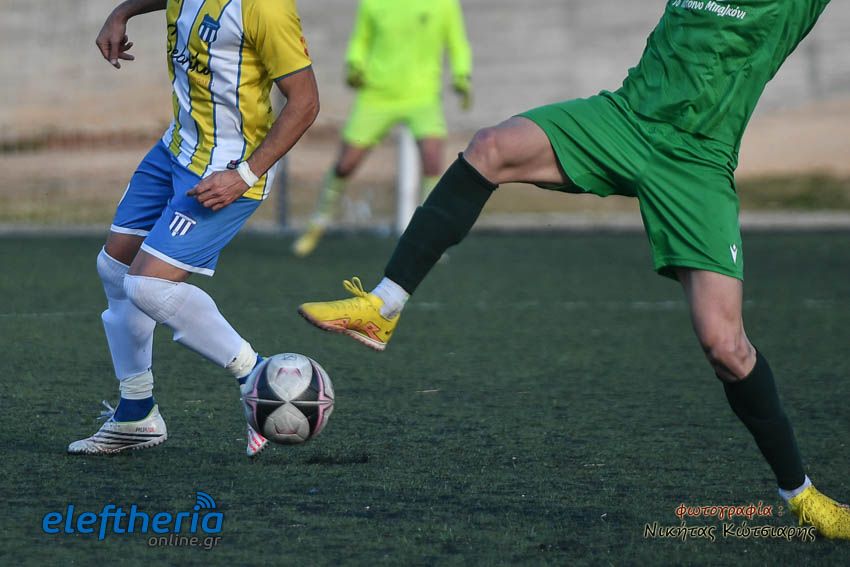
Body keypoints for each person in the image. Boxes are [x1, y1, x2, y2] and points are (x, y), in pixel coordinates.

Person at [297, 0, 850, 538]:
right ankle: (384, 305)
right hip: (625, 120)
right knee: (490, 146)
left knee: (725, 347)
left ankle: (800, 495)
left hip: (697, 162)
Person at [68, 0, 319, 458]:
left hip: (227, 169)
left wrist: (245, 175)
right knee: (115, 268)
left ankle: (257, 375)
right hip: (176, 148)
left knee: (145, 284)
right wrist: (123, 12)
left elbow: (306, 102)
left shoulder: (265, 7)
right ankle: (136, 413)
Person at [291, 0, 472, 258]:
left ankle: (428, 237)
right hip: (376, 96)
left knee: (433, 161)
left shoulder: (444, 4)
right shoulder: (373, 3)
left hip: (422, 96)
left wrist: (462, 75)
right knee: (346, 164)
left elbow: (458, 43)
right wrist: (354, 64)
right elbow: (360, 39)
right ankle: (318, 222)